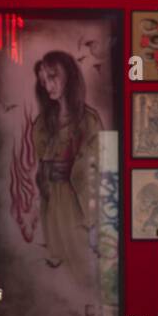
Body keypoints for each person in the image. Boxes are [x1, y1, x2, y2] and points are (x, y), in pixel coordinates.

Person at [31, 50, 104, 270]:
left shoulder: (89, 120)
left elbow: (97, 167)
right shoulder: (43, 123)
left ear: (69, 76)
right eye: (44, 81)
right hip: (52, 201)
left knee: (79, 260)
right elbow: (41, 160)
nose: (48, 85)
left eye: (53, 77)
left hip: (77, 202)